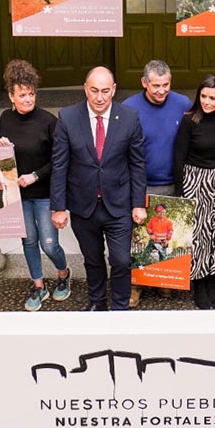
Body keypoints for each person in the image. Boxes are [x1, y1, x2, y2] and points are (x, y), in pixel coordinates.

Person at [51, 66, 146, 311]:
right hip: (84, 205)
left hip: (119, 204)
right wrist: (58, 207)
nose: (100, 97)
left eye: (105, 91)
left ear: (114, 90)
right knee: (92, 260)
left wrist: (138, 203)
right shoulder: (68, 117)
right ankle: (97, 303)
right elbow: (60, 165)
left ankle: (120, 306)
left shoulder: (129, 117)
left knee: (121, 260)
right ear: (85, 89)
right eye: (94, 90)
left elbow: (137, 163)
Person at [0, 59, 71, 312]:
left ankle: (63, 273)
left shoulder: (49, 121)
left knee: (49, 243)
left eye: (31, 94)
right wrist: (0, 146)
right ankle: (38, 286)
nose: (28, 99)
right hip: (19, 194)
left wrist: (35, 176)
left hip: (44, 193)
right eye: (22, 95)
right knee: (28, 241)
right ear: (11, 96)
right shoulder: (5, 119)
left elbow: (59, 161)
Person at [123, 60, 192, 307]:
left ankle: (165, 282)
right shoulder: (129, 108)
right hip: (141, 184)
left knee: (167, 237)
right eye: (155, 86)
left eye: (166, 85)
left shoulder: (183, 104)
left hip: (173, 182)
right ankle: (136, 285)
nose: (162, 90)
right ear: (144, 83)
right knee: (140, 237)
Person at [173, 75, 215, 310]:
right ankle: (199, 284)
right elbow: (178, 158)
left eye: (212, 98)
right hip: (195, 179)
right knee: (199, 236)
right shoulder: (189, 120)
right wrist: (182, 194)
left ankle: (213, 281)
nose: (207, 101)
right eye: (203, 96)